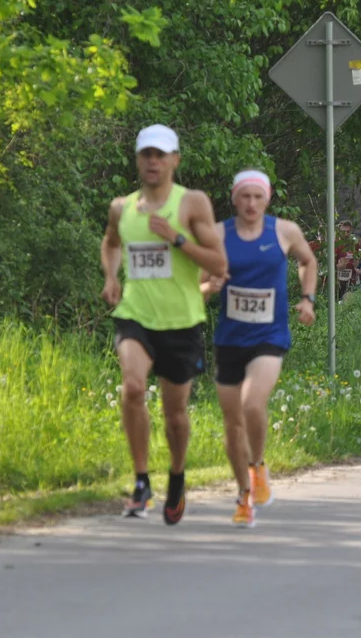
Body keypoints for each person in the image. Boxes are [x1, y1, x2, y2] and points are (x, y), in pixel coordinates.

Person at [100, 124, 227, 523]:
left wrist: (175, 238)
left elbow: (219, 263)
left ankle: (176, 476)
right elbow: (111, 243)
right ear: (138, 160)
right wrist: (110, 277)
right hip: (135, 314)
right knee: (133, 388)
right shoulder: (122, 207)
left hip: (181, 320)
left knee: (175, 415)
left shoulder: (191, 204)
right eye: (146, 154)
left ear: (175, 160)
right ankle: (141, 481)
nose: (153, 161)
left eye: (160, 154)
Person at [201, 170, 317, 527]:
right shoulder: (218, 234)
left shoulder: (283, 231)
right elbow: (198, 283)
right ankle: (242, 495)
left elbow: (308, 261)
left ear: (267, 199)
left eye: (257, 197)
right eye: (244, 197)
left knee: (252, 404)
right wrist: (210, 288)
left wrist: (308, 300)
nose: (251, 203)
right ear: (234, 199)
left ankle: (258, 467)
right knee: (232, 422)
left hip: (270, 336)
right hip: (229, 338)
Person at [334, 219, 361, 302]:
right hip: (336, 283)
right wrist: (338, 267)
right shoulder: (334, 244)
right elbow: (325, 267)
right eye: (343, 231)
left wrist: (357, 263)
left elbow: (357, 257)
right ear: (339, 231)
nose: (346, 234)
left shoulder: (354, 243)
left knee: (348, 304)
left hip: (350, 282)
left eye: (348, 231)